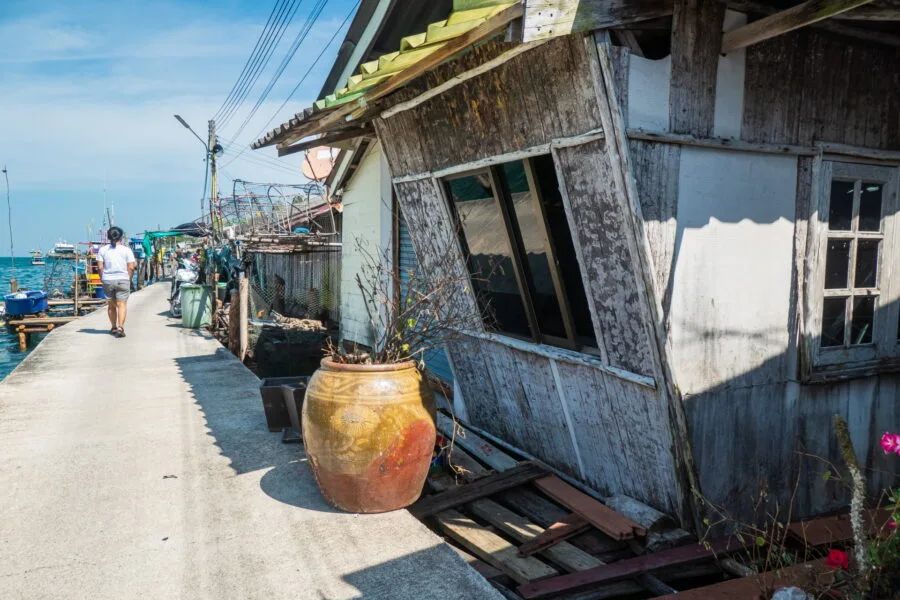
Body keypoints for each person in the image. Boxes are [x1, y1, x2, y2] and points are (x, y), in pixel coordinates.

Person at [98, 226, 136, 338]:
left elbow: (100, 267)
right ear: (121, 236)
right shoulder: (127, 250)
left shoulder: (102, 250)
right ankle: (121, 327)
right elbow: (132, 267)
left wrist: (102, 278)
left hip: (107, 280)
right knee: (122, 304)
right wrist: (128, 278)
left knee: (111, 305)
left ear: (108, 236)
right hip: (123, 279)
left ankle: (113, 327)